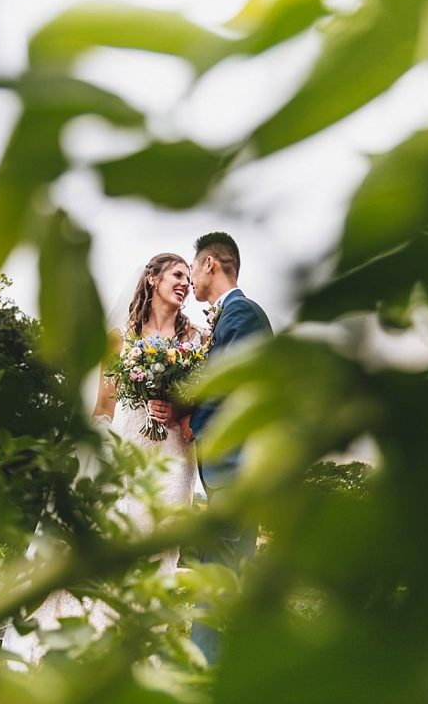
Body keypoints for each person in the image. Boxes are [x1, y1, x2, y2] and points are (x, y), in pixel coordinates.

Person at [1, 253, 201, 667]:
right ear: (152, 279)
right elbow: (103, 406)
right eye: (177, 275)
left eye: (188, 277)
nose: (185, 283)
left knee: (160, 541)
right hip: (127, 447)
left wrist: (179, 410)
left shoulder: (195, 341)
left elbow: (200, 403)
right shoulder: (120, 338)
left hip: (174, 456)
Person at [149, 231, 272, 665]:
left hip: (237, 471)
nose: (192, 285)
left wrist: (191, 421)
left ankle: (206, 669)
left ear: (209, 266)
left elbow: (234, 386)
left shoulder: (243, 315)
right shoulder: (227, 319)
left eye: (193, 268)